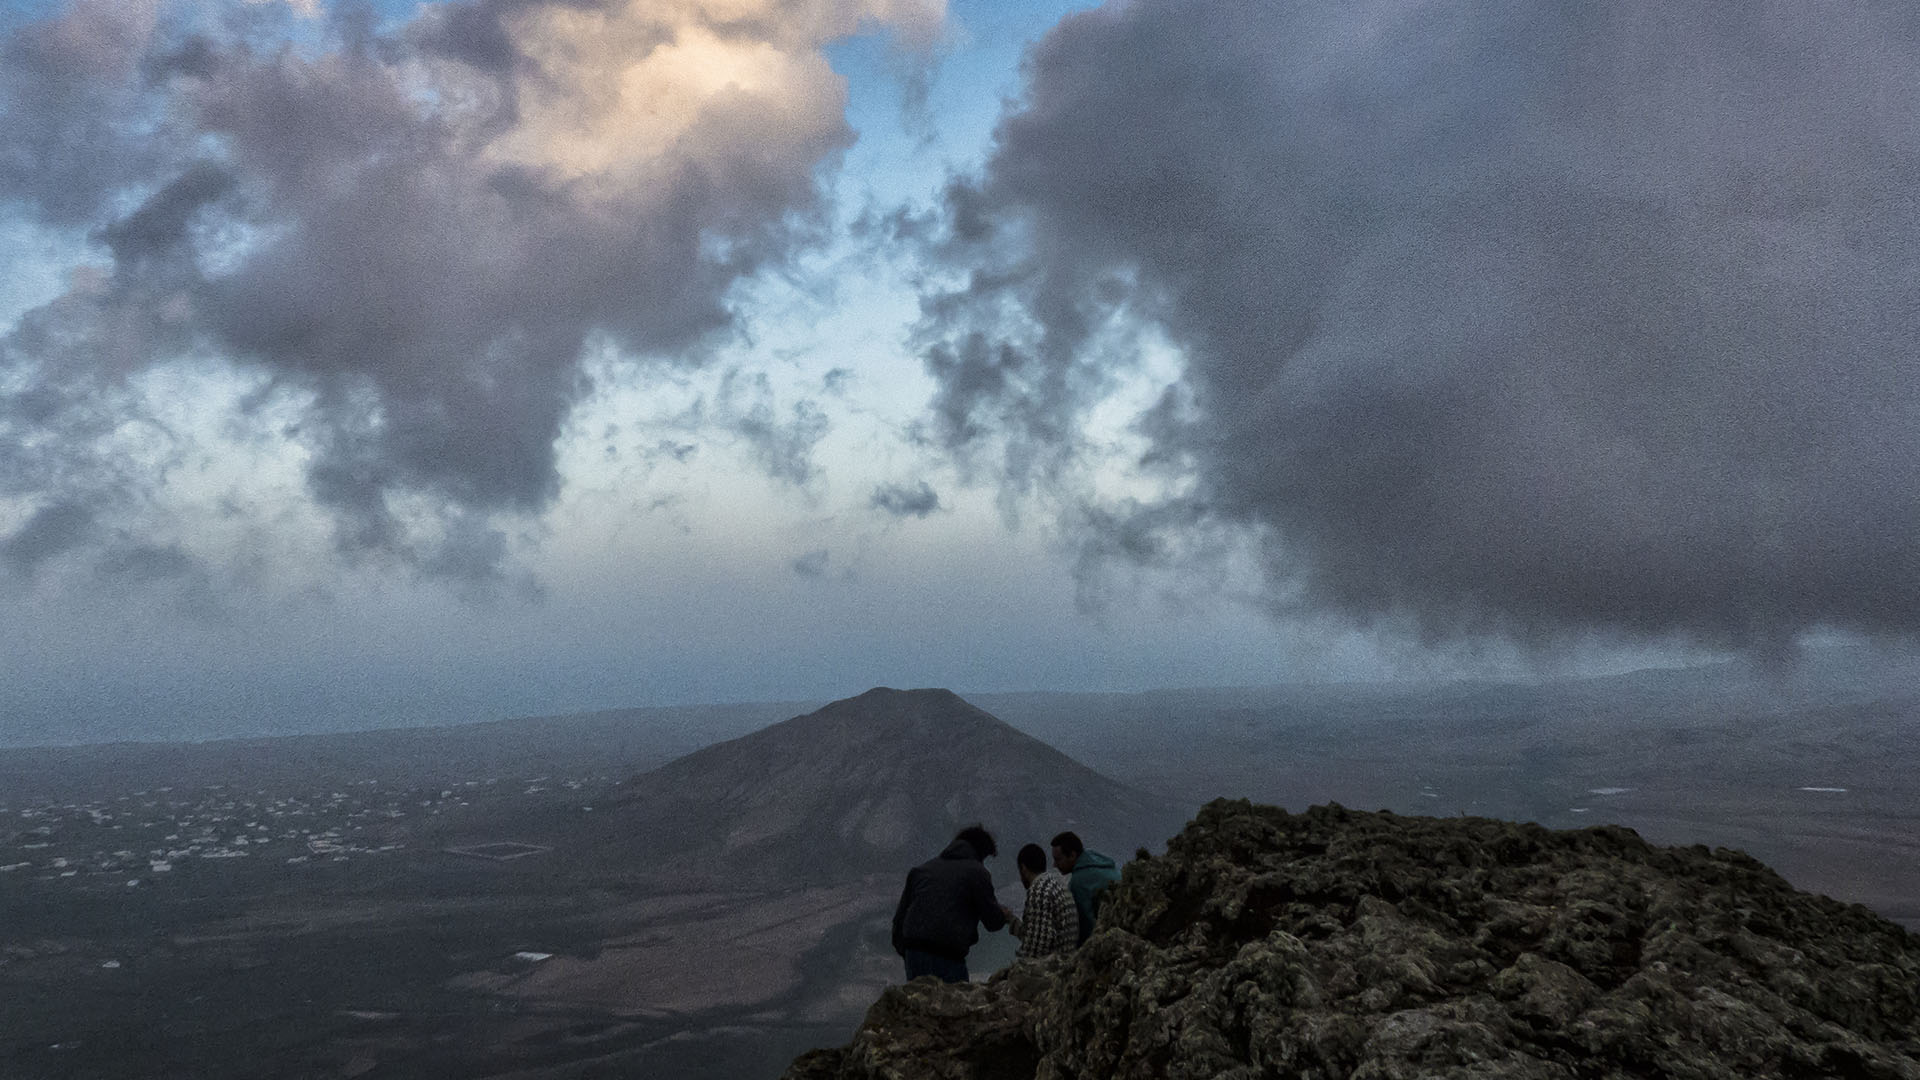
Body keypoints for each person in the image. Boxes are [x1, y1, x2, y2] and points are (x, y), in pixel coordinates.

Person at [891, 824, 1007, 983]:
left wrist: (908, 951)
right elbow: (993, 922)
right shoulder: (977, 872)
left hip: (914, 953)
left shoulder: (923, 870)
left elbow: (899, 921)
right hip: (948, 956)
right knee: (953, 1005)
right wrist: (1003, 914)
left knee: (919, 1004)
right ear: (981, 852)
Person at [1006, 842, 1075, 959]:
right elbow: (1035, 933)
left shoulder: (1039, 891)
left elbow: (1038, 944)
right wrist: (1011, 919)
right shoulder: (1053, 885)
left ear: (1023, 868)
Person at [1051, 830, 1120, 945]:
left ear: (1072, 855)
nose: (1054, 865)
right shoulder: (1102, 864)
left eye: (1058, 859)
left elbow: (1085, 925)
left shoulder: (1078, 882)